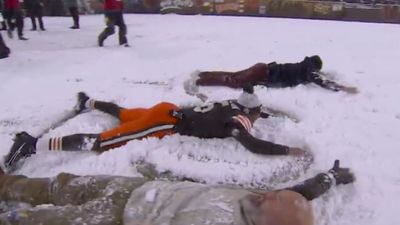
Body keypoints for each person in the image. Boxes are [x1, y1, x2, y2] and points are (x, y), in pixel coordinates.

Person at [3, 87, 309, 171]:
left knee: (124, 115)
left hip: (165, 109)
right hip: (166, 122)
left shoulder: (232, 104)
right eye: (257, 114)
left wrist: (258, 112)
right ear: (250, 113)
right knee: (103, 141)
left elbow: (251, 109)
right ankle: (31, 145)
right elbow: (253, 145)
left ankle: (89, 102)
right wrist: (289, 150)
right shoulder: (238, 122)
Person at [0, 159, 355, 225]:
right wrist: (330, 176)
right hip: (137, 189)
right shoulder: (260, 202)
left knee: (41, 221)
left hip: (117, 218)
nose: (269, 193)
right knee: (61, 186)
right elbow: (302, 191)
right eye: (276, 193)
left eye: (274, 200)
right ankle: (6, 185)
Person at [184, 55, 359, 96]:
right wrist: (342, 88)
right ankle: (199, 81)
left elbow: (319, 75)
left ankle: (201, 74)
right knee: (234, 82)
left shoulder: (303, 66)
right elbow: (321, 81)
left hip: (263, 68)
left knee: (233, 75)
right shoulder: (308, 71)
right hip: (264, 73)